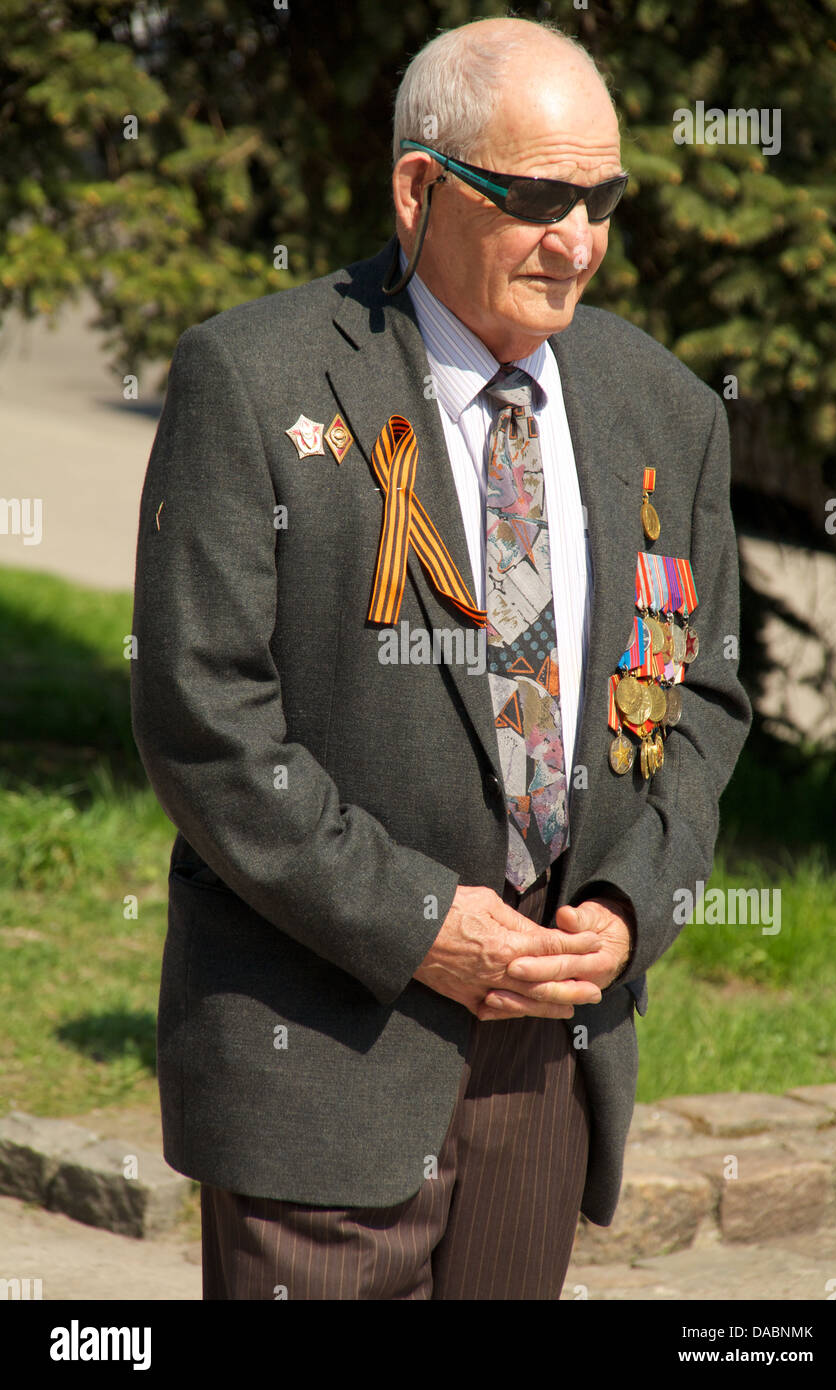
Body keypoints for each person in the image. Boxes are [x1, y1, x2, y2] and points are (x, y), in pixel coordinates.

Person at [130, 16, 751, 1301]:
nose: (576, 239)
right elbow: (207, 719)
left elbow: (700, 693)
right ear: (420, 186)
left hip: (551, 1053)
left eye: (600, 198)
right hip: (322, 1050)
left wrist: (631, 906)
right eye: (534, 196)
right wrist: (421, 924)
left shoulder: (664, 411)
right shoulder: (252, 378)